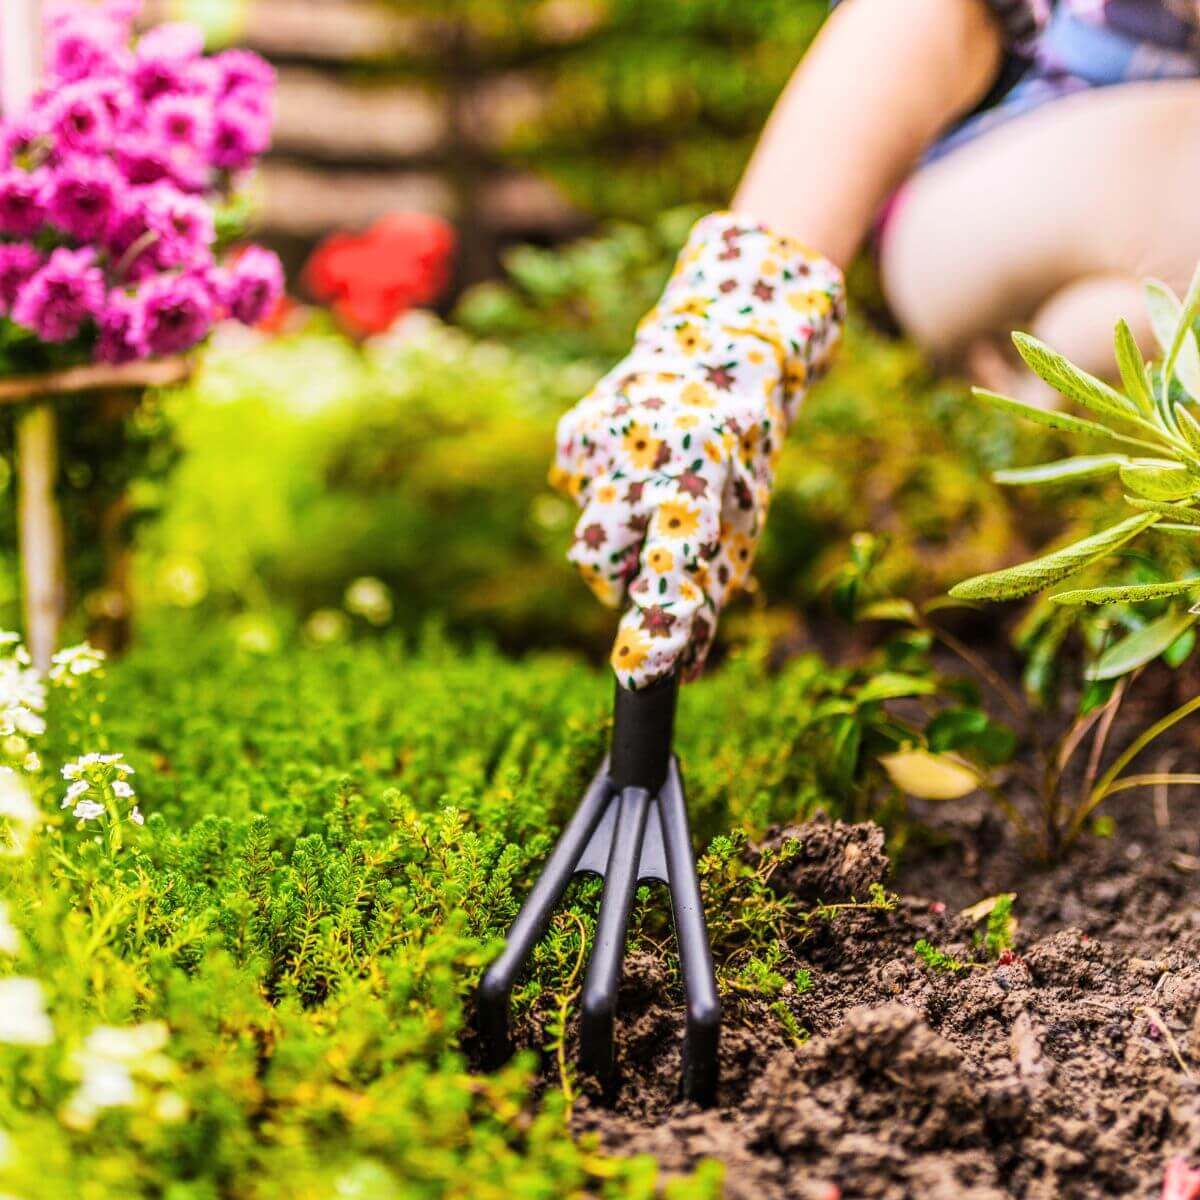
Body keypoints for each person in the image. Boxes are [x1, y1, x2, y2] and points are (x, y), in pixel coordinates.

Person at [552, 0, 1200, 690]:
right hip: (1023, 179)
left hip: (1132, 264)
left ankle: (1071, 375)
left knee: (1109, 329)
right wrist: (730, 326)